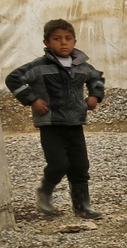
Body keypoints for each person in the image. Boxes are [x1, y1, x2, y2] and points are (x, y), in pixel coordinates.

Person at [5, 19, 105, 218]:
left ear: (75, 42)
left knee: (80, 166)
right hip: (50, 123)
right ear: (47, 43)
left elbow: (96, 77)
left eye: (68, 38)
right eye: (57, 39)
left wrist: (95, 95)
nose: (63, 43)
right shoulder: (39, 67)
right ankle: (44, 192)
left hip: (75, 122)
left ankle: (81, 206)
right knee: (59, 164)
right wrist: (32, 100)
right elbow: (13, 79)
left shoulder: (81, 66)